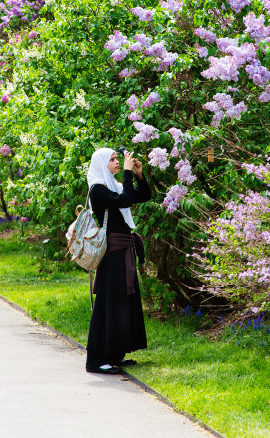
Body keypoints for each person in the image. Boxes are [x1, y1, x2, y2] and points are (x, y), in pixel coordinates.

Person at [85, 146, 151, 374]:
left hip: (123, 251)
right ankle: (95, 360)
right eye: (112, 159)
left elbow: (142, 196)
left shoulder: (112, 186)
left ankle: (115, 354)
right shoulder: (97, 190)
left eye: (116, 158)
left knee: (123, 303)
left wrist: (138, 174)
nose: (116, 161)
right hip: (112, 254)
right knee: (108, 303)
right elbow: (124, 200)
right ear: (102, 164)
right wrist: (127, 173)